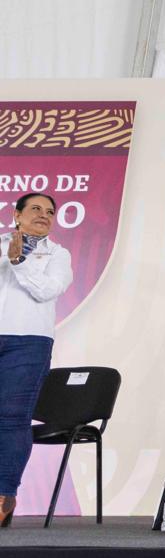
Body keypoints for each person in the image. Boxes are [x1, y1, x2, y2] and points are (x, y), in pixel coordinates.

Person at [0, 193, 72, 527]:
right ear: (16, 214)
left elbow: (47, 290)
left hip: (29, 342)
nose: (44, 215)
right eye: (36, 209)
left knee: (12, 417)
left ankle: (4, 494)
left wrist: (20, 263)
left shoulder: (58, 255)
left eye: (50, 212)